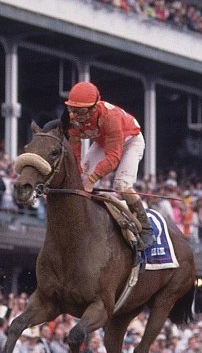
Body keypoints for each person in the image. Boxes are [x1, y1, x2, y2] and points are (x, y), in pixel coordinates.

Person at [63, 81, 154, 249]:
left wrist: (91, 180)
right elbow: (75, 150)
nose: (75, 116)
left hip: (130, 141)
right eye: (72, 109)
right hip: (103, 141)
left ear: (94, 107)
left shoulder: (110, 118)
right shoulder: (72, 120)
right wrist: (79, 172)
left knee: (121, 185)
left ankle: (146, 227)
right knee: (81, 178)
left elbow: (113, 157)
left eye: (81, 111)